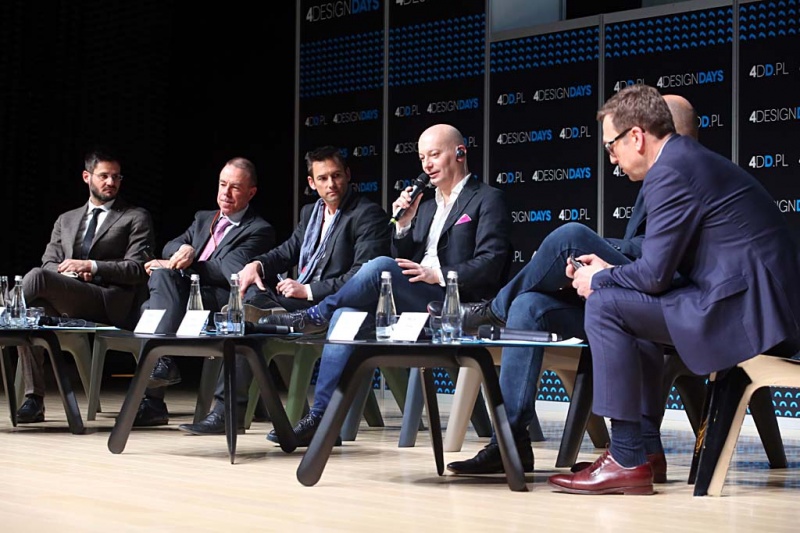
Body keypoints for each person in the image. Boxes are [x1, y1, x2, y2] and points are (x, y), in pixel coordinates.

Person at [547, 83, 800, 495]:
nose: (611, 159)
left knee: (606, 305)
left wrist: (600, 279)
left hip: (750, 314)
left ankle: (625, 458)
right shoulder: (684, 161)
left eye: (611, 146)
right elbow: (659, 269)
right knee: (625, 304)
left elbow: (653, 276)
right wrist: (611, 269)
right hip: (753, 303)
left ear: (636, 136)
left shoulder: (669, 172)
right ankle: (644, 449)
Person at [447, 94, 700, 477]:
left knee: (571, 237)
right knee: (529, 306)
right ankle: (509, 443)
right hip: (637, 293)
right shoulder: (660, 176)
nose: (614, 157)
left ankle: (494, 311)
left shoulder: (685, 175)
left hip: (671, 303)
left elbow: (666, 260)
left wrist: (602, 255)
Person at [260, 123, 512, 446]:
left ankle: (315, 314)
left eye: (434, 155)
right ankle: (323, 421)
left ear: (460, 153)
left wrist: (438, 274)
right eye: (422, 158)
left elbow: (491, 263)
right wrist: (403, 227)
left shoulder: (488, 199)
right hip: (415, 303)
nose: (427, 165)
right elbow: (403, 258)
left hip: (457, 306)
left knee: (378, 267)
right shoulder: (427, 206)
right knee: (346, 316)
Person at [178, 145, 391, 435]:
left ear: (348, 175)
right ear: (311, 183)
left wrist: (308, 290)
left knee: (248, 316)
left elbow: (361, 278)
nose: (331, 184)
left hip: (337, 307)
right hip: (299, 306)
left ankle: (229, 411)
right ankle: (231, 410)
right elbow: (287, 251)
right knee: (248, 308)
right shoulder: (311, 212)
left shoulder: (367, 215)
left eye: (337, 175)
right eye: (323, 178)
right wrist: (256, 265)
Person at [15, 147, 156, 423]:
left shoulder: (135, 216)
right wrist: (72, 274)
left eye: (116, 177)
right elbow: (49, 263)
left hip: (108, 301)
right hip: (71, 296)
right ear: (86, 176)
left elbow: (138, 269)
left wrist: (91, 266)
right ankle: (33, 400)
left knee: (36, 279)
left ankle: (4, 311)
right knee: (31, 311)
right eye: (104, 176)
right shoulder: (66, 220)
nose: (111, 182)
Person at [133, 157, 275, 427]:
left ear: (251, 192)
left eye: (235, 187)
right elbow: (171, 246)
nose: (226, 193)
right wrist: (183, 250)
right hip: (186, 295)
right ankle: (160, 369)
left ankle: (153, 396)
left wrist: (185, 263)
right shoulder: (203, 218)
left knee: (154, 300)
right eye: (222, 184)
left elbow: (228, 269)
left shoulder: (259, 230)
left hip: (220, 300)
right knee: (157, 291)